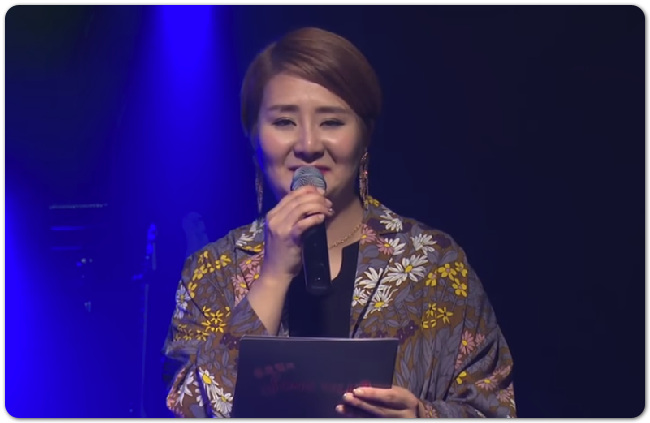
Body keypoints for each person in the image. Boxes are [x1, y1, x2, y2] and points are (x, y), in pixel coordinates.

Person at [163, 26, 515, 418]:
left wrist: (421, 415)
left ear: (365, 136)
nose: (308, 145)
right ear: (253, 135)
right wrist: (272, 278)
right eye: (284, 122)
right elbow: (188, 411)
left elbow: (494, 409)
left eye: (331, 122)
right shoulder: (212, 272)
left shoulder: (434, 265)